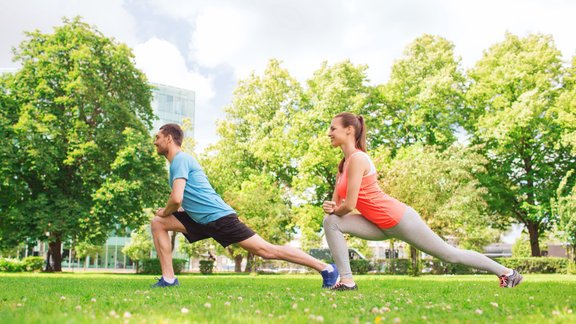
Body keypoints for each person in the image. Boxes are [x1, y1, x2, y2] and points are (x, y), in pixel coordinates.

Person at [322, 112, 523, 291]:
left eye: (333, 128)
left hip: (400, 219)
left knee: (449, 255)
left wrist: (337, 209)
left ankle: (507, 272)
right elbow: (337, 205)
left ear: (349, 130)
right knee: (331, 222)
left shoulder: (358, 159)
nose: (329, 133)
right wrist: (331, 208)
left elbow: (348, 206)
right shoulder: (343, 165)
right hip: (377, 223)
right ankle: (347, 281)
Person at [150, 123, 339, 288]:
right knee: (159, 223)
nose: (155, 142)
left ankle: (327, 269)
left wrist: (166, 211)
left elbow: (176, 199)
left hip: (218, 218)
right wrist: (168, 213)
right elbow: (190, 197)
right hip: (200, 219)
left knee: (265, 250)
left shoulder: (181, 159)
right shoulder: (176, 163)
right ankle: (168, 279)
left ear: (169, 138)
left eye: (157, 137)